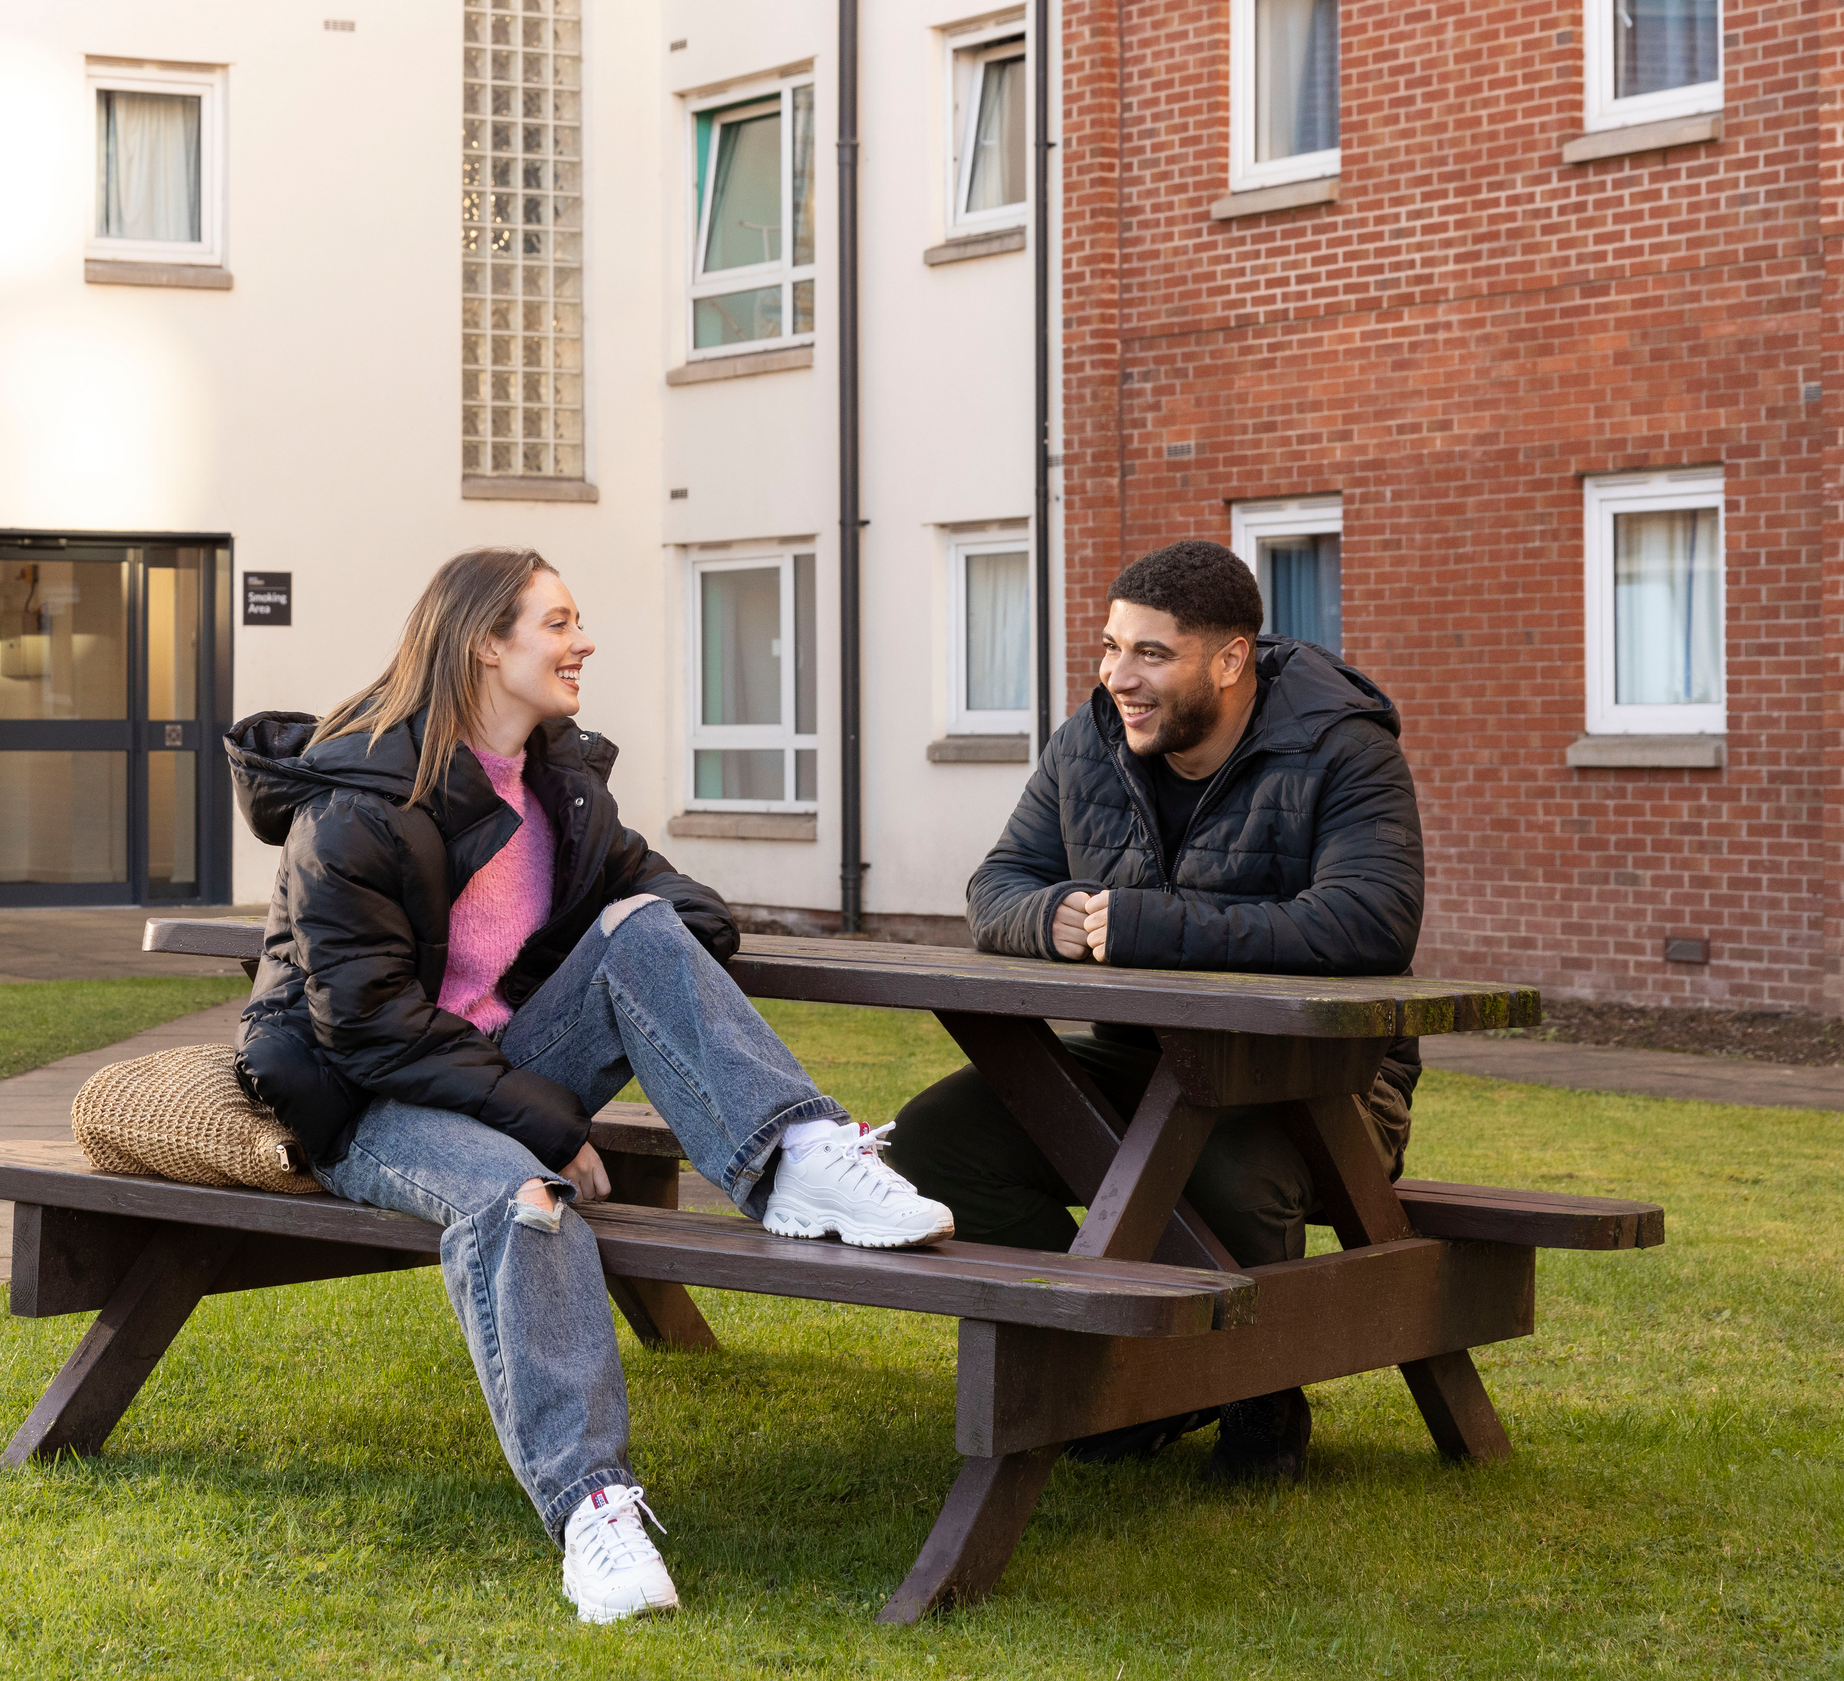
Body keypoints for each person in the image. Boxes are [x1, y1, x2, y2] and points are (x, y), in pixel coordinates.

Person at [226, 547, 952, 1628]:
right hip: (367, 1100)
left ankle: (794, 1158)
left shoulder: (555, 778)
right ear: (487, 645)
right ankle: (592, 1511)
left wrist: (667, 947)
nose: (584, 642)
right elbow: (369, 1028)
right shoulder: (362, 803)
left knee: (642, 928)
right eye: (559, 623)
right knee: (524, 1202)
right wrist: (545, 1126)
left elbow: (650, 891)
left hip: (498, 1065)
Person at [882, 537, 1426, 1483]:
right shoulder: (1088, 740)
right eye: (1108, 647)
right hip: (1142, 1062)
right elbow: (996, 884)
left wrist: (1144, 925)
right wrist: (1050, 917)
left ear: (1228, 660)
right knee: (934, 1145)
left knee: (1220, 1167)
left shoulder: (1343, 746)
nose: (1116, 678)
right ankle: (1134, 1368)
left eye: (1149, 654)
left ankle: (1258, 1391)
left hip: (1328, 1084)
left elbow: (1365, 923)